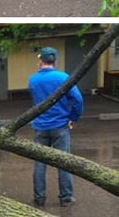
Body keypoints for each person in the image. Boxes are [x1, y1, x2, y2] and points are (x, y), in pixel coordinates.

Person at [28, 46, 84, 207]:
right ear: (55, 61)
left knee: (39, 163)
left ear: (40, 61)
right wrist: (73, 117)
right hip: (60, 126)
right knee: (63, 162)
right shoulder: (63, 77)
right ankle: (65, 198)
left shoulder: (33, 80)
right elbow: (78, 100)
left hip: (40, 126)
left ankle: (39, 198)